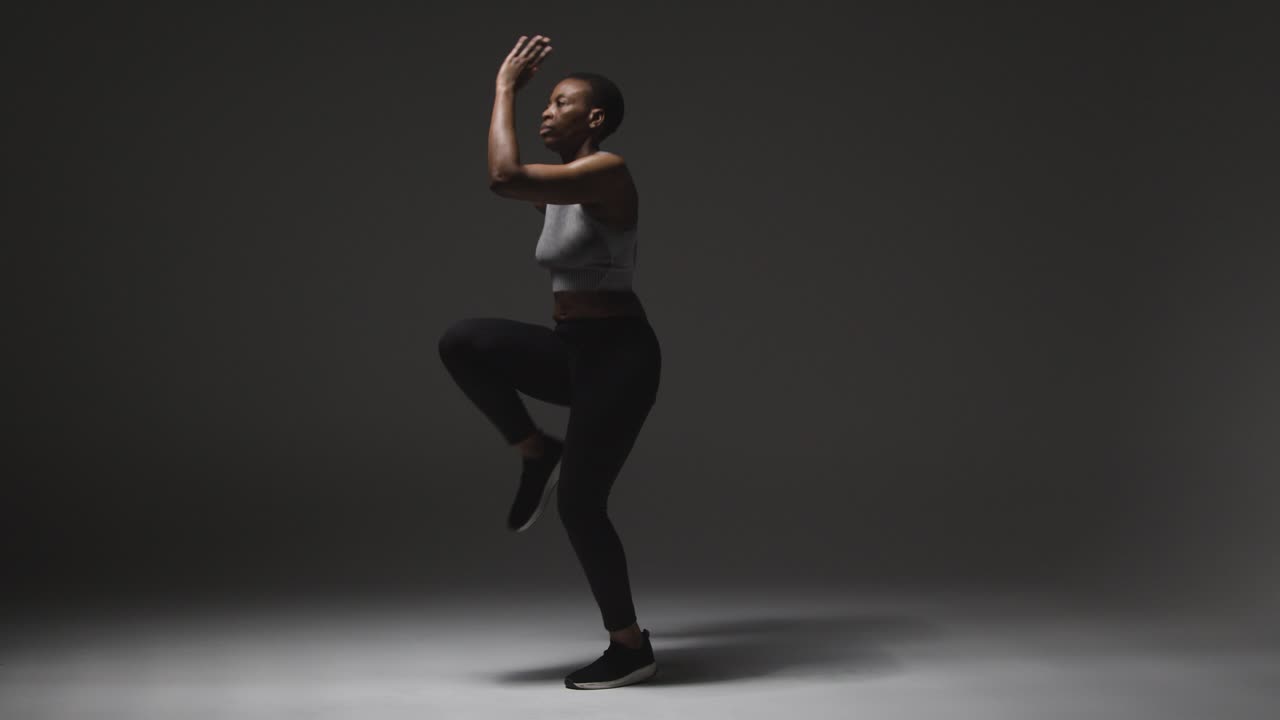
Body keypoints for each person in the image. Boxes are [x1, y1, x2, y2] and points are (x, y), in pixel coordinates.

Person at [437, 34, 661, 690]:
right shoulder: (562, 190)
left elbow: (503, 176)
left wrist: (505, 87)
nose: (546, 110)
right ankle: (537, 450)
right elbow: (516, 179)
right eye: (546, 100)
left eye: (561, 102)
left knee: (582, 507)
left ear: (595, 118)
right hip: (572, 349)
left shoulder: (609, 171)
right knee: (464, 341)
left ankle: (630, 646)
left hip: (620, 358)